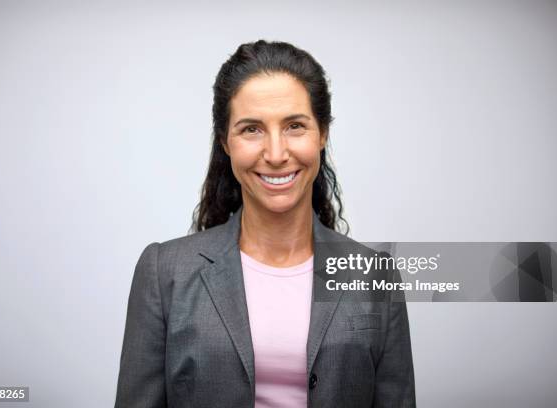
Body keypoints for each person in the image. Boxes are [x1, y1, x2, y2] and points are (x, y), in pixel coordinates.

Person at [114, 39, 415, 408]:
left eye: (294, 126)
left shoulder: (374, 276)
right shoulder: (165, 273)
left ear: (323, 134)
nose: (275, 154)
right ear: (225, 141)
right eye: (251, 129)